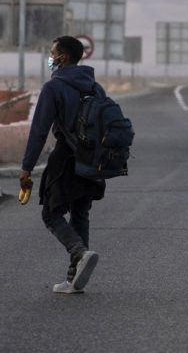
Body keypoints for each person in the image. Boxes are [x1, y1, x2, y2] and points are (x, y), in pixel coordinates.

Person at [20, 36, 105, 294]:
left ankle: (79, 254)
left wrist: (26, 167)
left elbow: (39, 131)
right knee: (80, 212)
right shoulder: (95, 87)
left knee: (51, 213)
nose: (50, 56)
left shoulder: (54, 86)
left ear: (63, 57)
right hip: (92, 159)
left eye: (52, 51)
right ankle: (73, 279)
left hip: (66, 157)